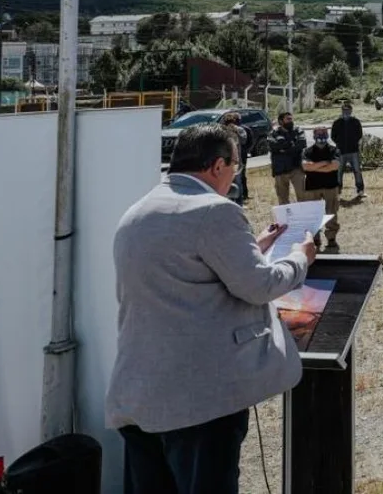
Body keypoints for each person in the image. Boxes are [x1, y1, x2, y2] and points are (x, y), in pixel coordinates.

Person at [107, 124, 316, 494]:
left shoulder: (137, 212)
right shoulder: (216, 212)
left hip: (139, 395)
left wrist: (252, 246)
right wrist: (300, 258)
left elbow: (185, 272)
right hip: (199, 402)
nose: (235, 174)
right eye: (236, 165)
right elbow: (261, 286)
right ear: (218, 165)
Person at [300, 126, 342, 252]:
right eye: (319, 134)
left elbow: (334, 166)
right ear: (313, 136)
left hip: (330, 186)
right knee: (313, 214)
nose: (321, 136)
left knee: (331, 213)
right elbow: (306, 167)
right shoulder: (307, 151)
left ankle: (331, 238)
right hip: (312, 187)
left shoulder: (334, 150)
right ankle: (315, 238)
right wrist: (325, 163)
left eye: (324, 133)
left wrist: (315, 166)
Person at [266, 111, 307, 205]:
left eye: (291, 119)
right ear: (281, 121)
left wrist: (283, 150)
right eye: (288, 119)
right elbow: (272, 146)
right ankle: (286, 219)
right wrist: (291, 144)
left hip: (296, 167)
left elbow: (302, 143)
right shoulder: (273, 133)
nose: (291, 121)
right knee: (282, 198)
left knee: (303, 196)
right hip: (280, 169)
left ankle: (303, 217)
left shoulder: (298, 130)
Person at [330, 101, 365, 197]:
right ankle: (338, 191)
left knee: (357, 170)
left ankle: (360, 190)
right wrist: (339, 143)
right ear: (342, 111)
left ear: (351, 111)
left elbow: (359, 134)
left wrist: (353, 142)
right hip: (341, 151)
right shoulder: (337, 123)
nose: (346, 112)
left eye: (348, 110)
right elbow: (333, 136)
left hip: (353, 150)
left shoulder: (356, 122)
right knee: (339, 172)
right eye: (344, 110)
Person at [219, 111, 250, 203]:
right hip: (225, 161)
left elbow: (244, 140)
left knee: (237, 182)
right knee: (227, 183)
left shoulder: (239, 130)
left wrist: (236, 131)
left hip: (236, 161)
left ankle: (239, 202)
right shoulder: (221, 131)